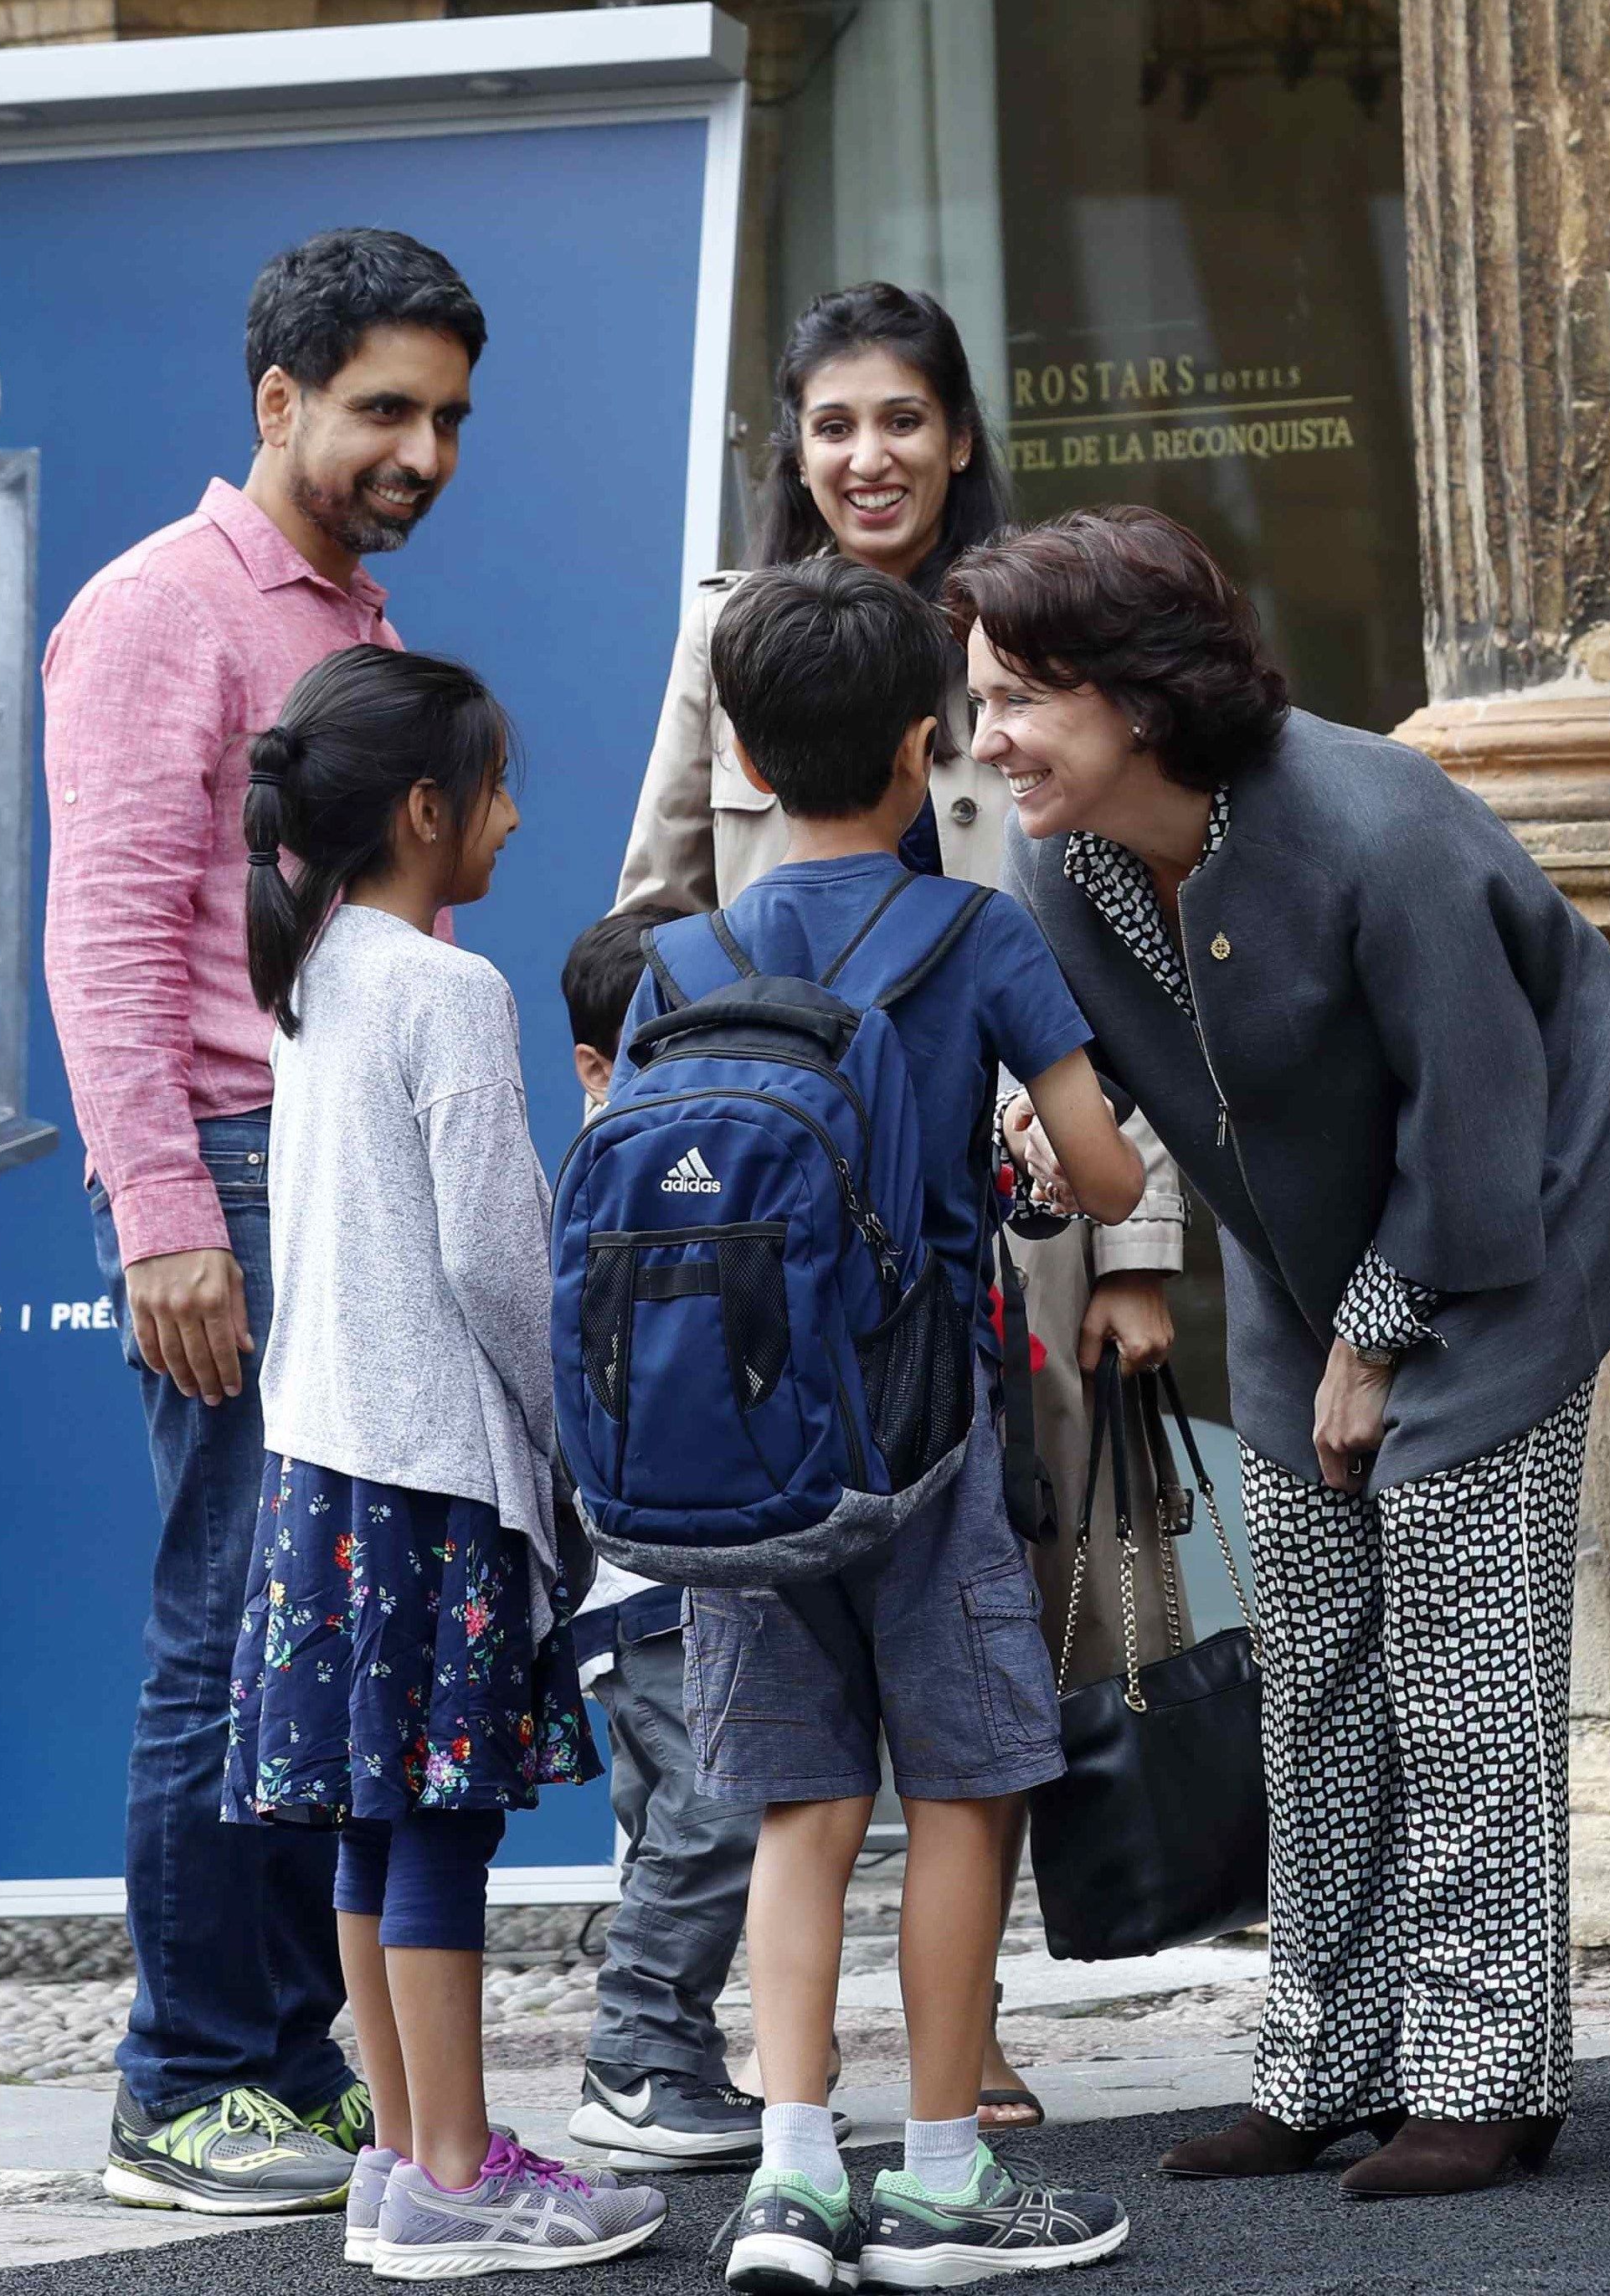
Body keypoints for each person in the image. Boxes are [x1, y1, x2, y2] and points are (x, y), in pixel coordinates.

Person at [953, 507, 1610, 2201]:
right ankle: (1321, 2062)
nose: (984, 739)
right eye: (978, 698)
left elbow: (1485, 1110)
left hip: (1518, 1207)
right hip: (1304, 1235)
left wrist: (1379, 1333)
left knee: (1454, 1638)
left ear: (1137, 697)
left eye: (1016, 702)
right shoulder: (1064, 867)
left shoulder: (1377, 823)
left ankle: (1488, 2072)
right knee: (1315, 1644)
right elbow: (1103, 1096)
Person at [615, 281, 1186, 2132]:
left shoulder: (1031, 630)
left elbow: (1127, 947)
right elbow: (639, 922)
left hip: (1004, 1285)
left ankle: (892, 2084)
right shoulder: (735, 639)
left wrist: (1143, 1258)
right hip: (796, 1288)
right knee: (941, 1726)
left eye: (903, 419)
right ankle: (818, 2082)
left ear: (958, 437)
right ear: (795, 443)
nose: (869, 454)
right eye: (835, 422)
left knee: (894, 1721)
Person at [47, 224, 486, 2214]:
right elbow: (109, 933)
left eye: (451, 416)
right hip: (230, 1176)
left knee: (319, 1635)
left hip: (322, 1169)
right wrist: (160, 1213)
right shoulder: (163, 609)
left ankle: (290, 2069)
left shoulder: (347, 615)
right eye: (387, 407)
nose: (424, 446)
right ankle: (187, 2080)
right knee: (233, 1626)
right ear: (280, 400)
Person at [222, 644, 666, 2277]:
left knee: (367, 1821)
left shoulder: (318, 975)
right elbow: (497, 1258)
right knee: (440, 1830)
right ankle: (462, 2177)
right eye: (491, 785)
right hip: (430, 1479)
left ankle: (408, 2159)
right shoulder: (453, 990)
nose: (513, 811)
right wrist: (577, 1437)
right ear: (426, 808)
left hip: (319, 1472)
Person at [555, 906, 845, 2169]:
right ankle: (636, 2056)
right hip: (640, 1578)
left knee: (683, 1817)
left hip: (681, 1568)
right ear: (592, 1064)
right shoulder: (604, 1175)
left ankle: (670, 2050)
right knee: (714, 1815)